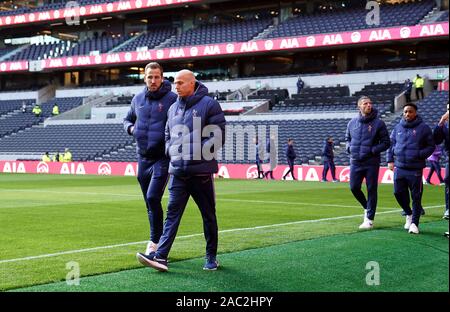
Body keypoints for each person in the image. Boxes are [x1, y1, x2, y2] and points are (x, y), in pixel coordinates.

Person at [136, 69, 226, 272]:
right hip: (177, 171)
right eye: (174, 83)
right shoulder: (173, 108)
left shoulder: (209, 104)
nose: (175, 86)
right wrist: (171, 150)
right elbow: (168, 134)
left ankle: (211, 257)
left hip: (201, 172)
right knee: (172, 216)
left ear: (192, 84)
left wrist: (191, 152)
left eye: (180, 83)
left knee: (208, 215)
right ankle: (160, 257)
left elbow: (218, 136)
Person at [123, 62, 177, 256]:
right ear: (144, 78)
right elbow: (127, 120)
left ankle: (154, 242)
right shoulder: (137, 99)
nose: (153, 80)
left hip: (162, 159)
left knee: (154, 197)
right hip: (142, 158)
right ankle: (159, 241)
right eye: (149, 77)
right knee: (149, 202)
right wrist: (131, 128)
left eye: (156, 77)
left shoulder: (172, 99)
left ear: (162, 78)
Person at [387, 103, 435, 234]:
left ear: (415, 113)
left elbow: (431, 146)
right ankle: (408, 213)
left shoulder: (424, 128)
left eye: (410, 111)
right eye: (405, 112)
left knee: (416, 196)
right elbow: (391, 145)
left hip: (415, 169)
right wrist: (390, 160)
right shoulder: (397, 127)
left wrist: (419, 154)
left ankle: (414, 223)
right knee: (397, 193)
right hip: (400, 167)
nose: (407, 114)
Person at [345, 96, 390, 230]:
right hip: (355, 161)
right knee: (354, 187)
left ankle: (369, 219)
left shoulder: (379, 123)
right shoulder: (351, 123)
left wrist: (372, 150)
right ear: (359, 106)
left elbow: (386, 142)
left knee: (371, 189)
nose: (369, 105)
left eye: (370, 103)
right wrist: (349, 148)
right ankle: (367, 207)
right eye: (365, 103)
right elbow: (347, 138)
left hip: (371, 162)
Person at [433, 106, 449, 221]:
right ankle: (448, 209)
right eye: (448, 109)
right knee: (448, 179)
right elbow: (436, 140)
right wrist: (441, 122)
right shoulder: (445, 126)